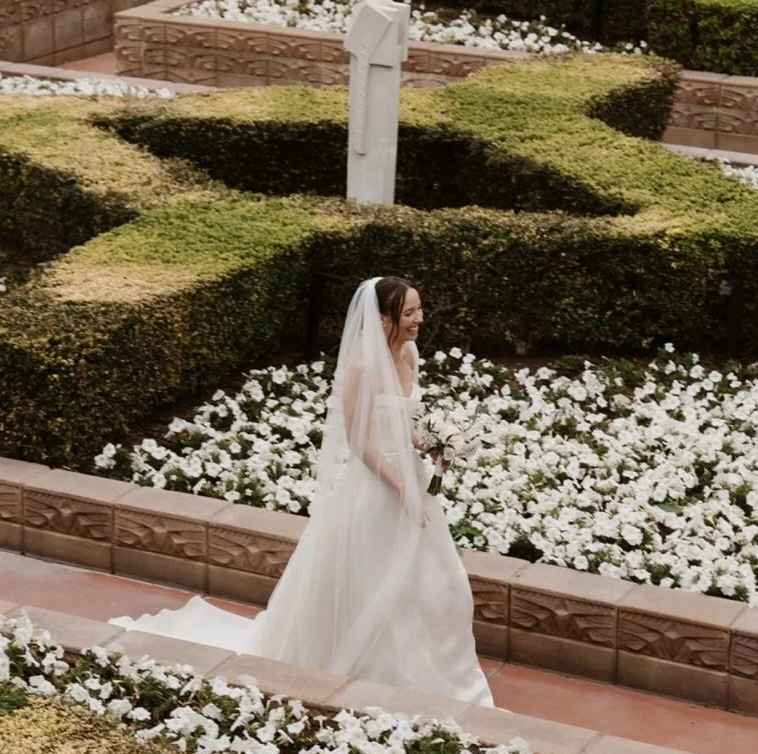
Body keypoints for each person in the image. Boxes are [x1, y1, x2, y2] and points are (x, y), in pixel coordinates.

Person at [112, 276, 493, 707]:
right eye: (408, 313)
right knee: (373, 586)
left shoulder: (409, 354)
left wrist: (431, 443)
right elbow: (359, 441)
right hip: (375, 490)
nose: (419, 319)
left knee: (440, 586)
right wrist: (401, 485)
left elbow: (401, 424)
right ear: (383, 318)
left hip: (412, 483)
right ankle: (371, 674)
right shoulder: (362, 367)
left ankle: (438, 678)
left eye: (419, 309)